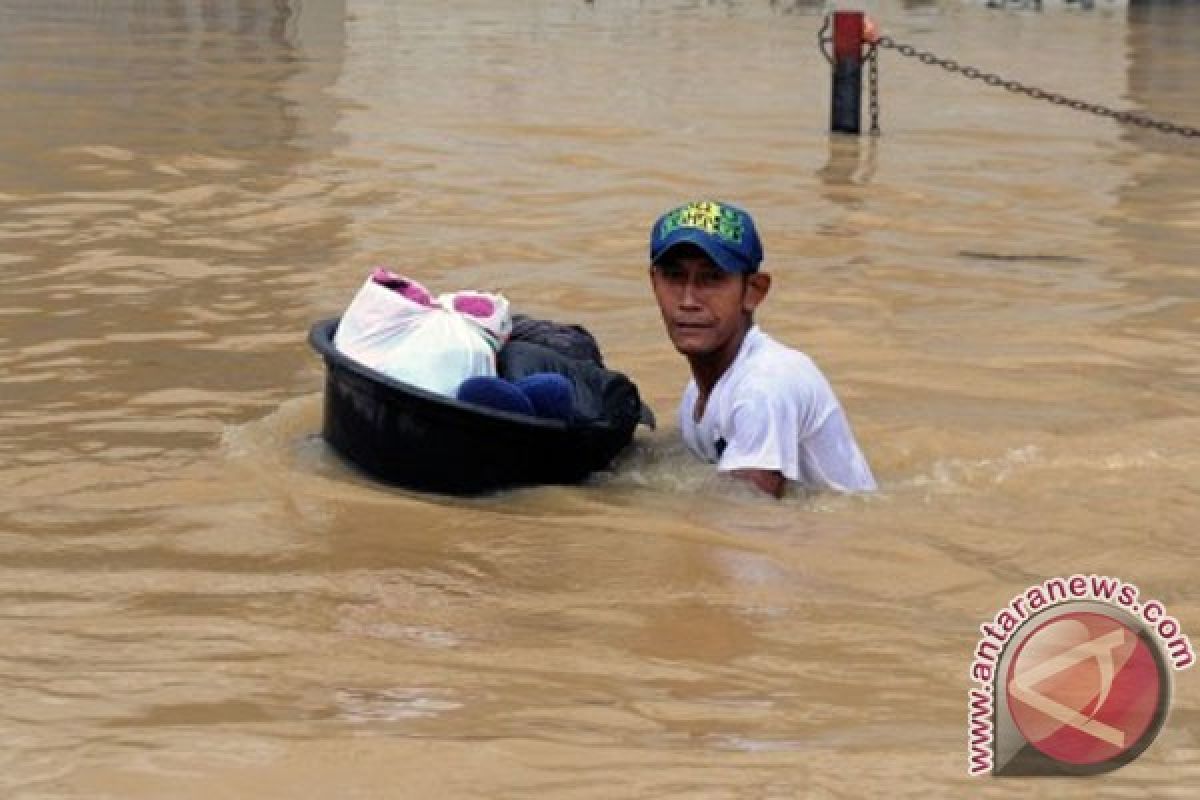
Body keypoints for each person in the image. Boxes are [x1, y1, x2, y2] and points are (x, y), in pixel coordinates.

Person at [647, 200, 877, 498]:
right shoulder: (698, 392)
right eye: (674, 277)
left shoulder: (763, 388)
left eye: (712, 278)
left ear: (754, 291)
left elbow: (747, 518)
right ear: (654, 282)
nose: (688, 300)